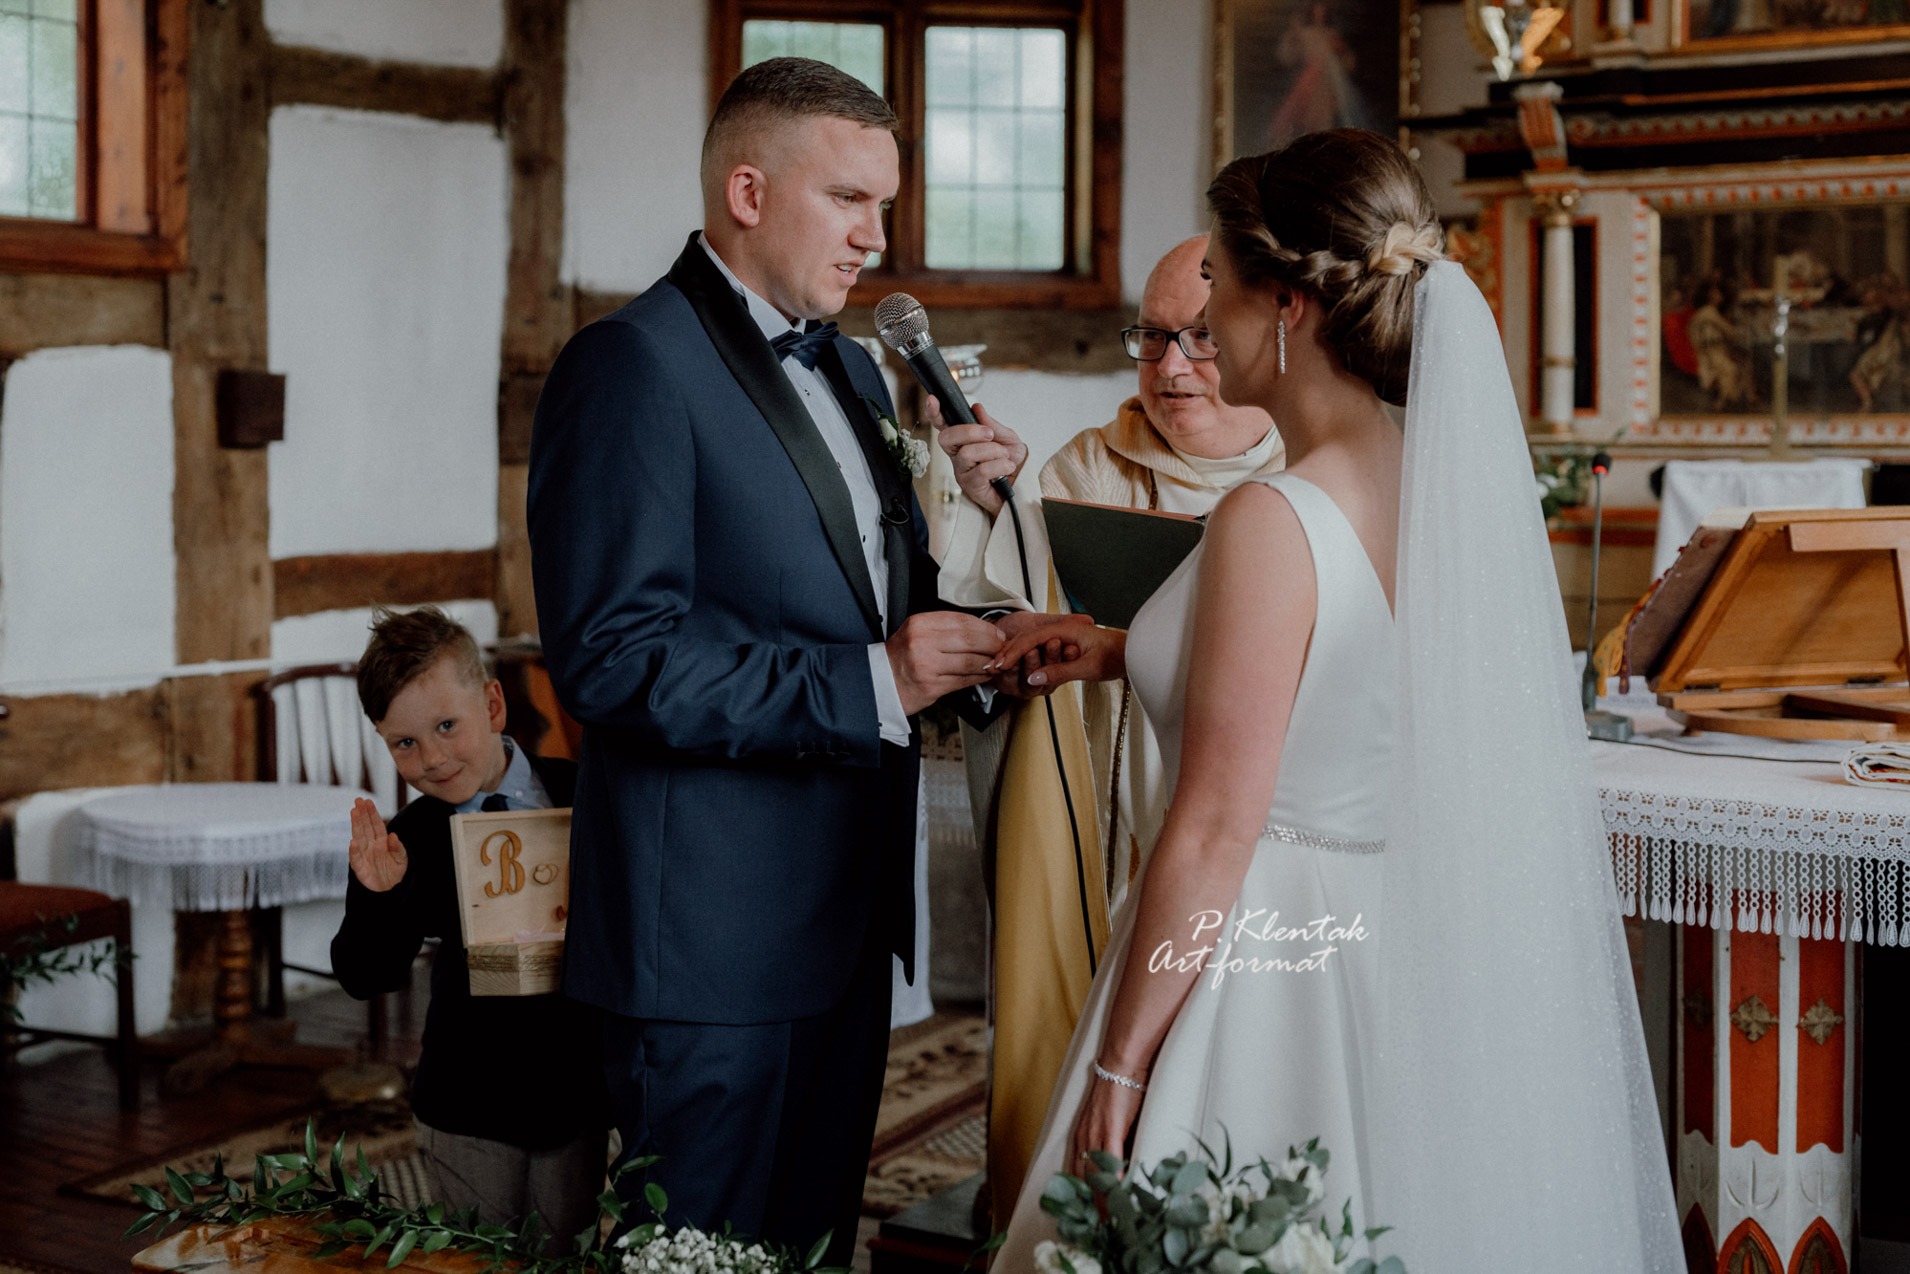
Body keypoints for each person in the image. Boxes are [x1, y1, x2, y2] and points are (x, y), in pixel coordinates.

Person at [990, 129, 1682, 1270]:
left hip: (1259, 967)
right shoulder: (1435, 478)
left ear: (1286, 306)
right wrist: (1121, 648)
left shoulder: (1272, 516)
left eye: (1213, 279)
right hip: (1389, 942)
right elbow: (1343, 676)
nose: (1198, 321)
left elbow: (1216, 824)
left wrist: (1118, 1065)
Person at [525, 57, 1017, 1265]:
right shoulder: (630, 365)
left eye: (885, 207)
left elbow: (874, 616)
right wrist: (874, 683)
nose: (874, 237)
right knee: (693, 1250)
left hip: (842, 922)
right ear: (747, 191)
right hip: (706, 946)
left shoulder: (850, 366)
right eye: (849, 199)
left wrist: (984, 572)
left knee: (805, 1247)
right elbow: (611, 661)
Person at [931, 233, 1281, 1223]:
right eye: (1152, 336)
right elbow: (1011, 615)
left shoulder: (1314, 472)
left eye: (1201, 340)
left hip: (1252, 837)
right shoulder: (1089, 465)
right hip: (1105, 826)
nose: (1169, 368)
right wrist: (993, 509)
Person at [330, 606, 606, 1244]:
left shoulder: (585, 796)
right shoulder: (407, 841)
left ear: (493, 705)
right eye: (404, 743)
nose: (431, 758)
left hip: (577, 1089)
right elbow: (366, 975)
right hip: (466, 1097)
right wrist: (380, 896)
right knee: (479, 1256)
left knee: (565, 1250)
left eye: (447, 726)